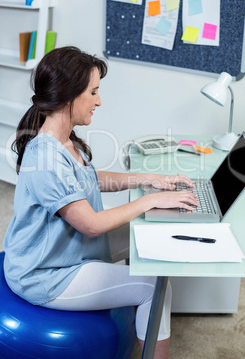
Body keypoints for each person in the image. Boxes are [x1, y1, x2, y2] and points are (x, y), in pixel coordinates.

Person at [3, 46, 198, 358]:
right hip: (46, 273)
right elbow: (91, 225)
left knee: (143, 235)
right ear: (69, 95)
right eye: (93, 92)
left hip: (67, 250)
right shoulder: (46, 155)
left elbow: (90, 179)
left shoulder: (64, 139)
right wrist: (151, 200)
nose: (99, 101)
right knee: (152, 285)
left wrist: (148, 179)